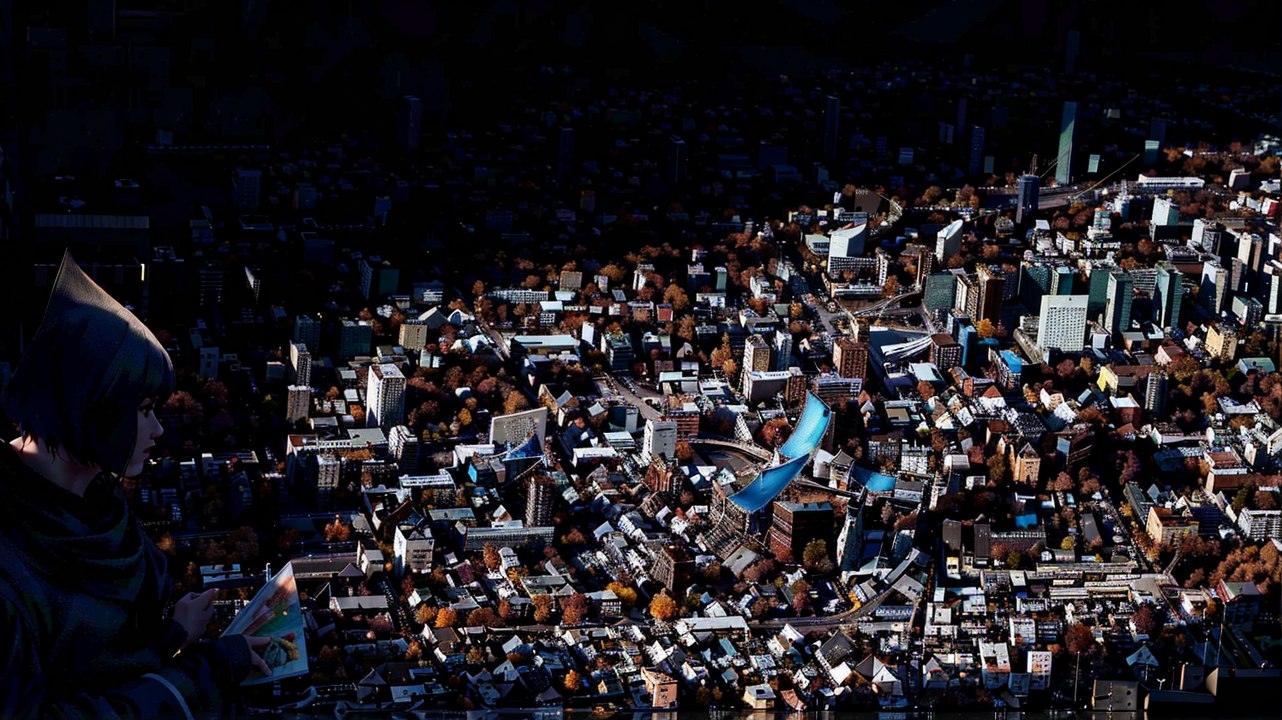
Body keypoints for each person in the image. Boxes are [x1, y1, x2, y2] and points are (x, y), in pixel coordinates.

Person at [0, 251, 269, 719]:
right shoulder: (9, 575)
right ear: (92, 409)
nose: (158, 429)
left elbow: (87, 668)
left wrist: (172, 638)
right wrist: (206, 673)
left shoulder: (90, 501)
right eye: (143, 410)